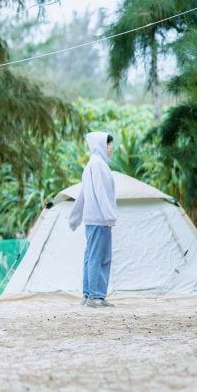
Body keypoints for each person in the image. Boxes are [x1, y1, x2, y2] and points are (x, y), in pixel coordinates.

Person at [68, 132, 118, 308]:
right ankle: (96, 296)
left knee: (91, 256)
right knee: (99, 257)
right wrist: (110, 216)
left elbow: (82, 194)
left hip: (93, 219)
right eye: (108, 144)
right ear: (100, 145)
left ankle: (89, 294)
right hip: (100, 219)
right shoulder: (98, 165)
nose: (111, 147)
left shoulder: (92, 164)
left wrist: (74, 219)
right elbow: (101, 192)